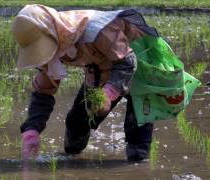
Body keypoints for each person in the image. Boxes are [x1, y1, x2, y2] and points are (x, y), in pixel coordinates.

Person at [12, 4, 159, 162]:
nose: (43, 52)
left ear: (51, 33)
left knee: (137, 136)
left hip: (139, 64)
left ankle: (137, 166)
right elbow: (44, 90)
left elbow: (127, 62)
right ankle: (74, 160)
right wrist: (32, 129)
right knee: (76, 124)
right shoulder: (54, 46)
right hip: (100, 68)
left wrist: (109, 93)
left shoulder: (96, 30)